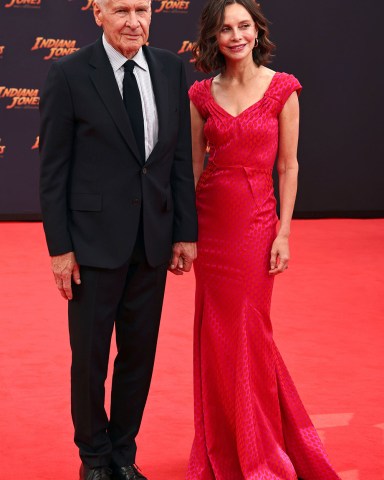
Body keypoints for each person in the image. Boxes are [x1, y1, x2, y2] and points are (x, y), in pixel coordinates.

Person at [39, 0, 197, 479]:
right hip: (91, 244)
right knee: (89, 358)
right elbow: (53, 171)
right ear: (98, 14)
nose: (134, 21)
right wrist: (60, 248)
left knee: (138, 356)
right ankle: (93, 458)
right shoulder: (68, 73)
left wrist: (185, 232)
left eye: (143, 10)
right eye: (122, 10)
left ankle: (124, 455)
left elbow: (178, 161)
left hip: (152, 239)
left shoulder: (171, 68)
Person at [187, 0, 340, 478]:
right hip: (211, 222)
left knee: (250, 330)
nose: (235, 36)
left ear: (257, 32)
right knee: (216, 334)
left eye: (244, 26)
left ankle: (263, 445)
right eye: (226, 28)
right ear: (213, 37)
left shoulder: (282, 89)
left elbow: (288, 166)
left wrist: (285, 232)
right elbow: (193, 168)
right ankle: (224, 440)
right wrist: (183, 235)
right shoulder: (199, 94)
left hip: (256, 222)